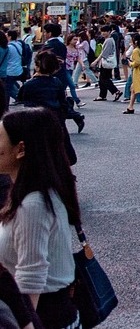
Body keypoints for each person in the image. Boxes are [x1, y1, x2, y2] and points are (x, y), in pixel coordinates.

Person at [0, 107, 84, 329]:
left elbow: (31, 277)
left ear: (20, 149)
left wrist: (26, 324)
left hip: (44, 315)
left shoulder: (33, 205)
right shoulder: (31, 191)